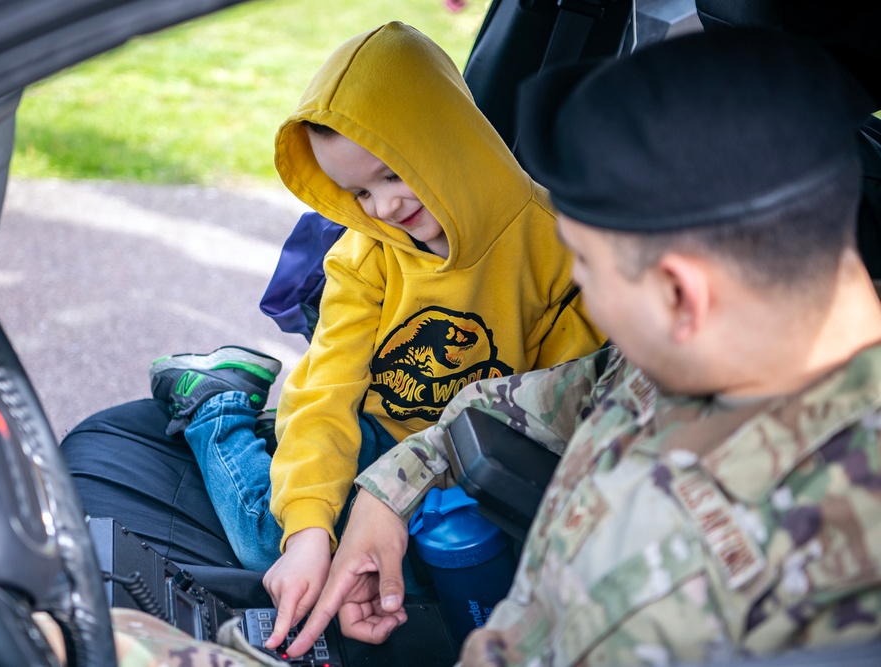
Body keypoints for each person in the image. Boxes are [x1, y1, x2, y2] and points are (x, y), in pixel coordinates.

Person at [274, 29, 881, 665]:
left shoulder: (823, 582)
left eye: (587, 266)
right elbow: (513, 403)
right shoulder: (647, 367)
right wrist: (382, 497)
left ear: (680, 295)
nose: (578, 281)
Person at [62, 18, 604, 651]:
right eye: (358, 192)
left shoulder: (558, 249)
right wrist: (310, 535)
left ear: (451, 137)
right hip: (379, 437)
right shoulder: (368, 253)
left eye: (394, 175)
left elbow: (560, 406)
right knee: (277, 543)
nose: (381, 208)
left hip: (475, 467)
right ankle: (216, 404)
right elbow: (326, 394)